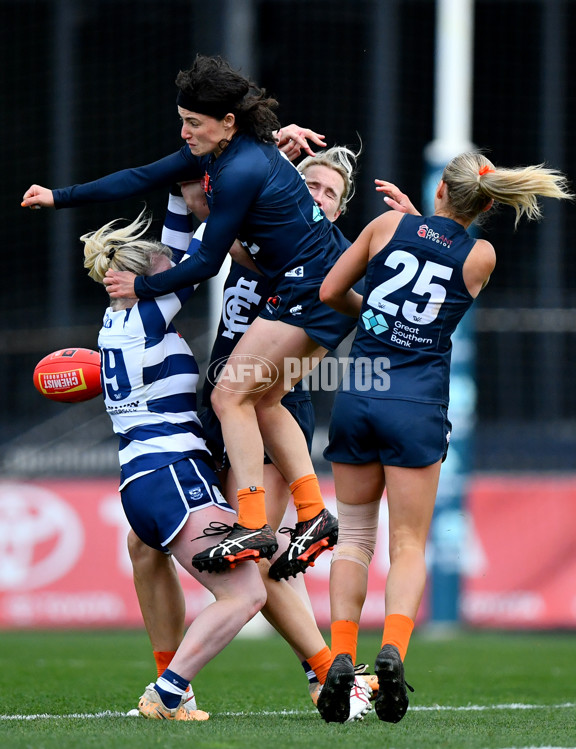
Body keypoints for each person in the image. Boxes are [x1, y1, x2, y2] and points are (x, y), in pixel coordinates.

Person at [22, 55, 356, 580]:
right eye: (182, 120)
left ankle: (254, 521)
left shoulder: (241, 168)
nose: (184, 132)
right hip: (323, 287)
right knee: (261, 399)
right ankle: (313, 513)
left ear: (228, 123)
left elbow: (204, 261)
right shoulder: (229, 153)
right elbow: (139, 176)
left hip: (309, 289)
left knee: (229, 394)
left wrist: (142, 285)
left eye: (193, 123)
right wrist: (58, 197)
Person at [315, 152, 575, 724]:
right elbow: (438, 266)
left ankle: (339, 654)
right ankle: (394, 652)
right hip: (417, 404)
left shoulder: (384, 226)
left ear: (438, 190)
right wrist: (429, 226)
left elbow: (333, 291)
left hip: (359, 393)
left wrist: (376, 311)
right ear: (487, 205)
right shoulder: (482, 255)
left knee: (354, 537)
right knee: (407, 544)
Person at [125, 146, 374, 720]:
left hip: (268, 411)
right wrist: (259, 152)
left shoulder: (321, 263)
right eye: (307, 183)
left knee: (253, 560)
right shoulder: (253, 232)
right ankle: (174, 679)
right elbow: (199, 191)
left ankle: (331, 675)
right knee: (143, 543)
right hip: (217, 408)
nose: (314, 195)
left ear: (334, 214)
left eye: (328, 193)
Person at [81, 208, 267, 721]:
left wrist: (184, 193)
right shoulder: (145, 312)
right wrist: (244, 175)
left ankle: (174, 689)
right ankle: (166, 691)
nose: (174, 276)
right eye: (164, 272)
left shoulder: (116, 318)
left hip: (141, 482)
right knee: (245, 593)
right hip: (173, 476)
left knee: (150, 554)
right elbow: (201, 254)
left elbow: (178, 244)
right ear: (145, 281)